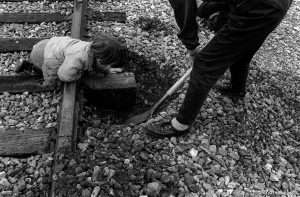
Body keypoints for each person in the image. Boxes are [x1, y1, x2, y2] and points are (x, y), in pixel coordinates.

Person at [146, 0, 293, 138]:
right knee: (243, 47)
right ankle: (237, 89)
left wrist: (193, 48)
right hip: (278, 5)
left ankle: (181, 125)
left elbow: (187, 14)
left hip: (257, 8)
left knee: (204, 64)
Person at [15, 35, 126, 85]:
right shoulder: (78, 58)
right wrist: (79, 75)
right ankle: (32, 67)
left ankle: (32, 64)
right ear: (101, 58)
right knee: (54, 79)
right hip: (44, 56)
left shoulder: (90, 48)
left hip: (47, 45)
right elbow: (64, 75)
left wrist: (106, 70)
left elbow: (96, 63)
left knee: (62, 62)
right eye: (107, 63)